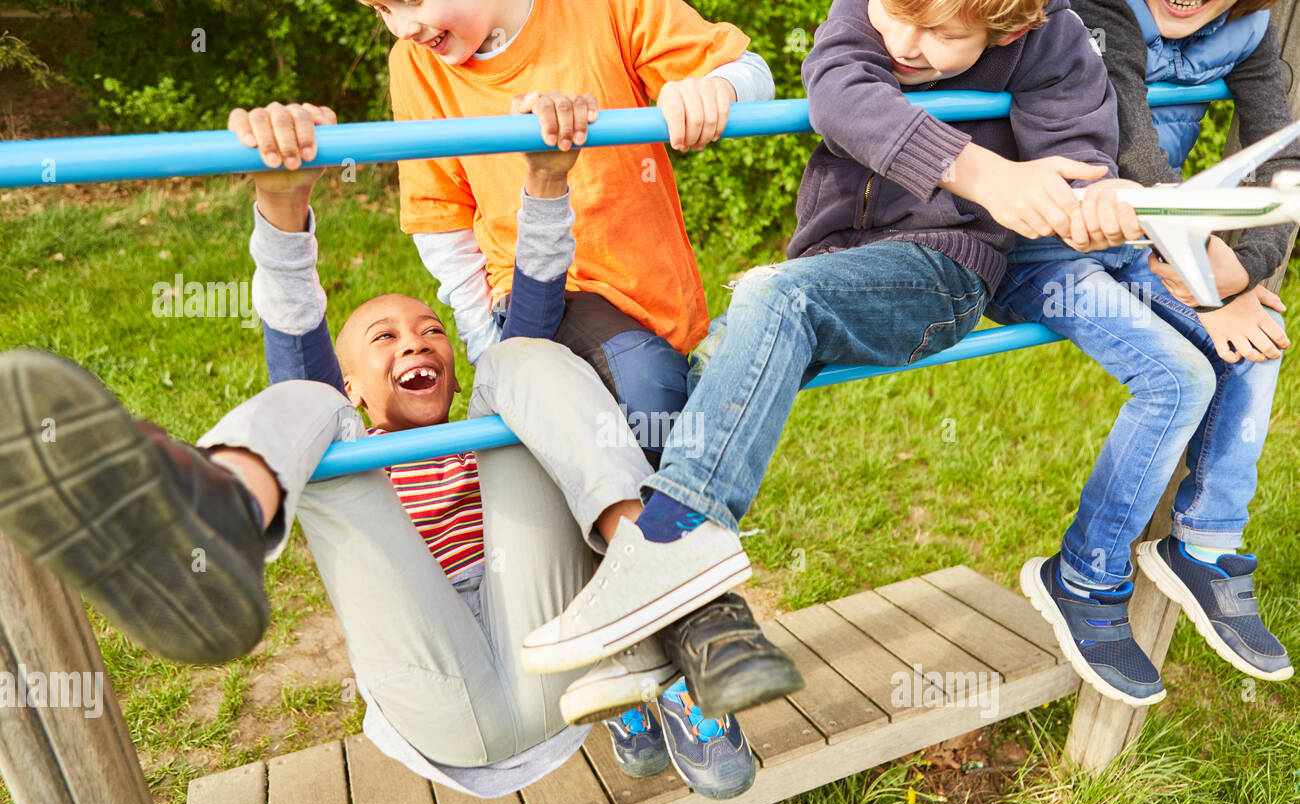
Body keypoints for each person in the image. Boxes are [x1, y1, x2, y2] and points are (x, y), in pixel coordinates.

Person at [0, 99, 757, 801]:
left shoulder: (487, 425)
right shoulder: (348, 424)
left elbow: (530, 315)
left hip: (555, 672)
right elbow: (299, 355)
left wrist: (547, 181)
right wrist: (283, 204)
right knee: (311, 411)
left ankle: (648, 565)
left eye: (431, 331)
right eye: (384, 338)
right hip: (442, 698)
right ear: (358, 383)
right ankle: (218, 514)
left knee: (521, 358)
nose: (417, 342)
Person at [517, 0, 1143, 677]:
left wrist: (1089, 205)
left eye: (940, 34)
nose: (902, 42)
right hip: (833, 265)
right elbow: (839, 95)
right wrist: (981, 171)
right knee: (707, 371)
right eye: (895, 12)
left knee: (773, 296)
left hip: (945, 265)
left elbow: (1076, 157)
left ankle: (673, 545)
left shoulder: (1051, 39)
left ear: (1010, 29)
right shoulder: (861, 18)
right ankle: (672, 641)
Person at [355, 0, 804, 719]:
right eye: (380, 9)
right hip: (532, 296)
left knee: (636, 427)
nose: (402, 26)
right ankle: (708, 640)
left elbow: (749, 70)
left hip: (652, 297)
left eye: (408, 0)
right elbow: (443, 228)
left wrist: (714, 89)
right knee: (641, 398)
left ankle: (637, 664)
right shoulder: (417, 68)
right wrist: (497, 354)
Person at [989, 0, 1295, 705]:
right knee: (1179, 379)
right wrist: (1204, 283)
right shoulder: (1098, 11)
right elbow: (1132, 141)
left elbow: (1285, 156)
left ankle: (1207, 545)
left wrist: (1245, 272)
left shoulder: (1250, 32)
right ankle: (1083, 578)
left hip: (1141, 244)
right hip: (1044, 250)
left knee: (1257, 348)